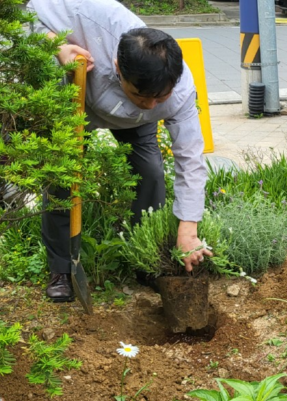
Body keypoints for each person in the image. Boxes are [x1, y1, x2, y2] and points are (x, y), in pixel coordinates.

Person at [28, 0, 211, 302]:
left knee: (150, 173)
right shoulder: (89, 12)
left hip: (135, 123)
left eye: (160, 97)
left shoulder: (178, 91)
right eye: (143, 95)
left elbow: (190, 159)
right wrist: (57, 46)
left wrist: (188, 230)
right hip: (79, 101)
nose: (153, 104)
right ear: (117, 67)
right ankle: (61, 268)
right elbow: (31, 14)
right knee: (62, 178)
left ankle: (143, 257)